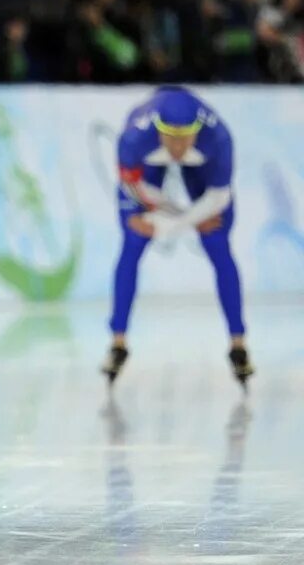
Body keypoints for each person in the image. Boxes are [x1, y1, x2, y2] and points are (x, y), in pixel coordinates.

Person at [103, 86, 254, 388]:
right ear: (158, 132)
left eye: (185, 138)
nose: (177, 147)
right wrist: (176, 217)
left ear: (197, 133)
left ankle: (238, 343)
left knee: (217, 243)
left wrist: (172, 223)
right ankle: (118, 341)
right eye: (170, 138)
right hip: (146, 175)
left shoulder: (219, 139)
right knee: (133, 241)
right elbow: (135, 189)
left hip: (204, 173)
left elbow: (218, 198)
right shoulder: (133, 138)